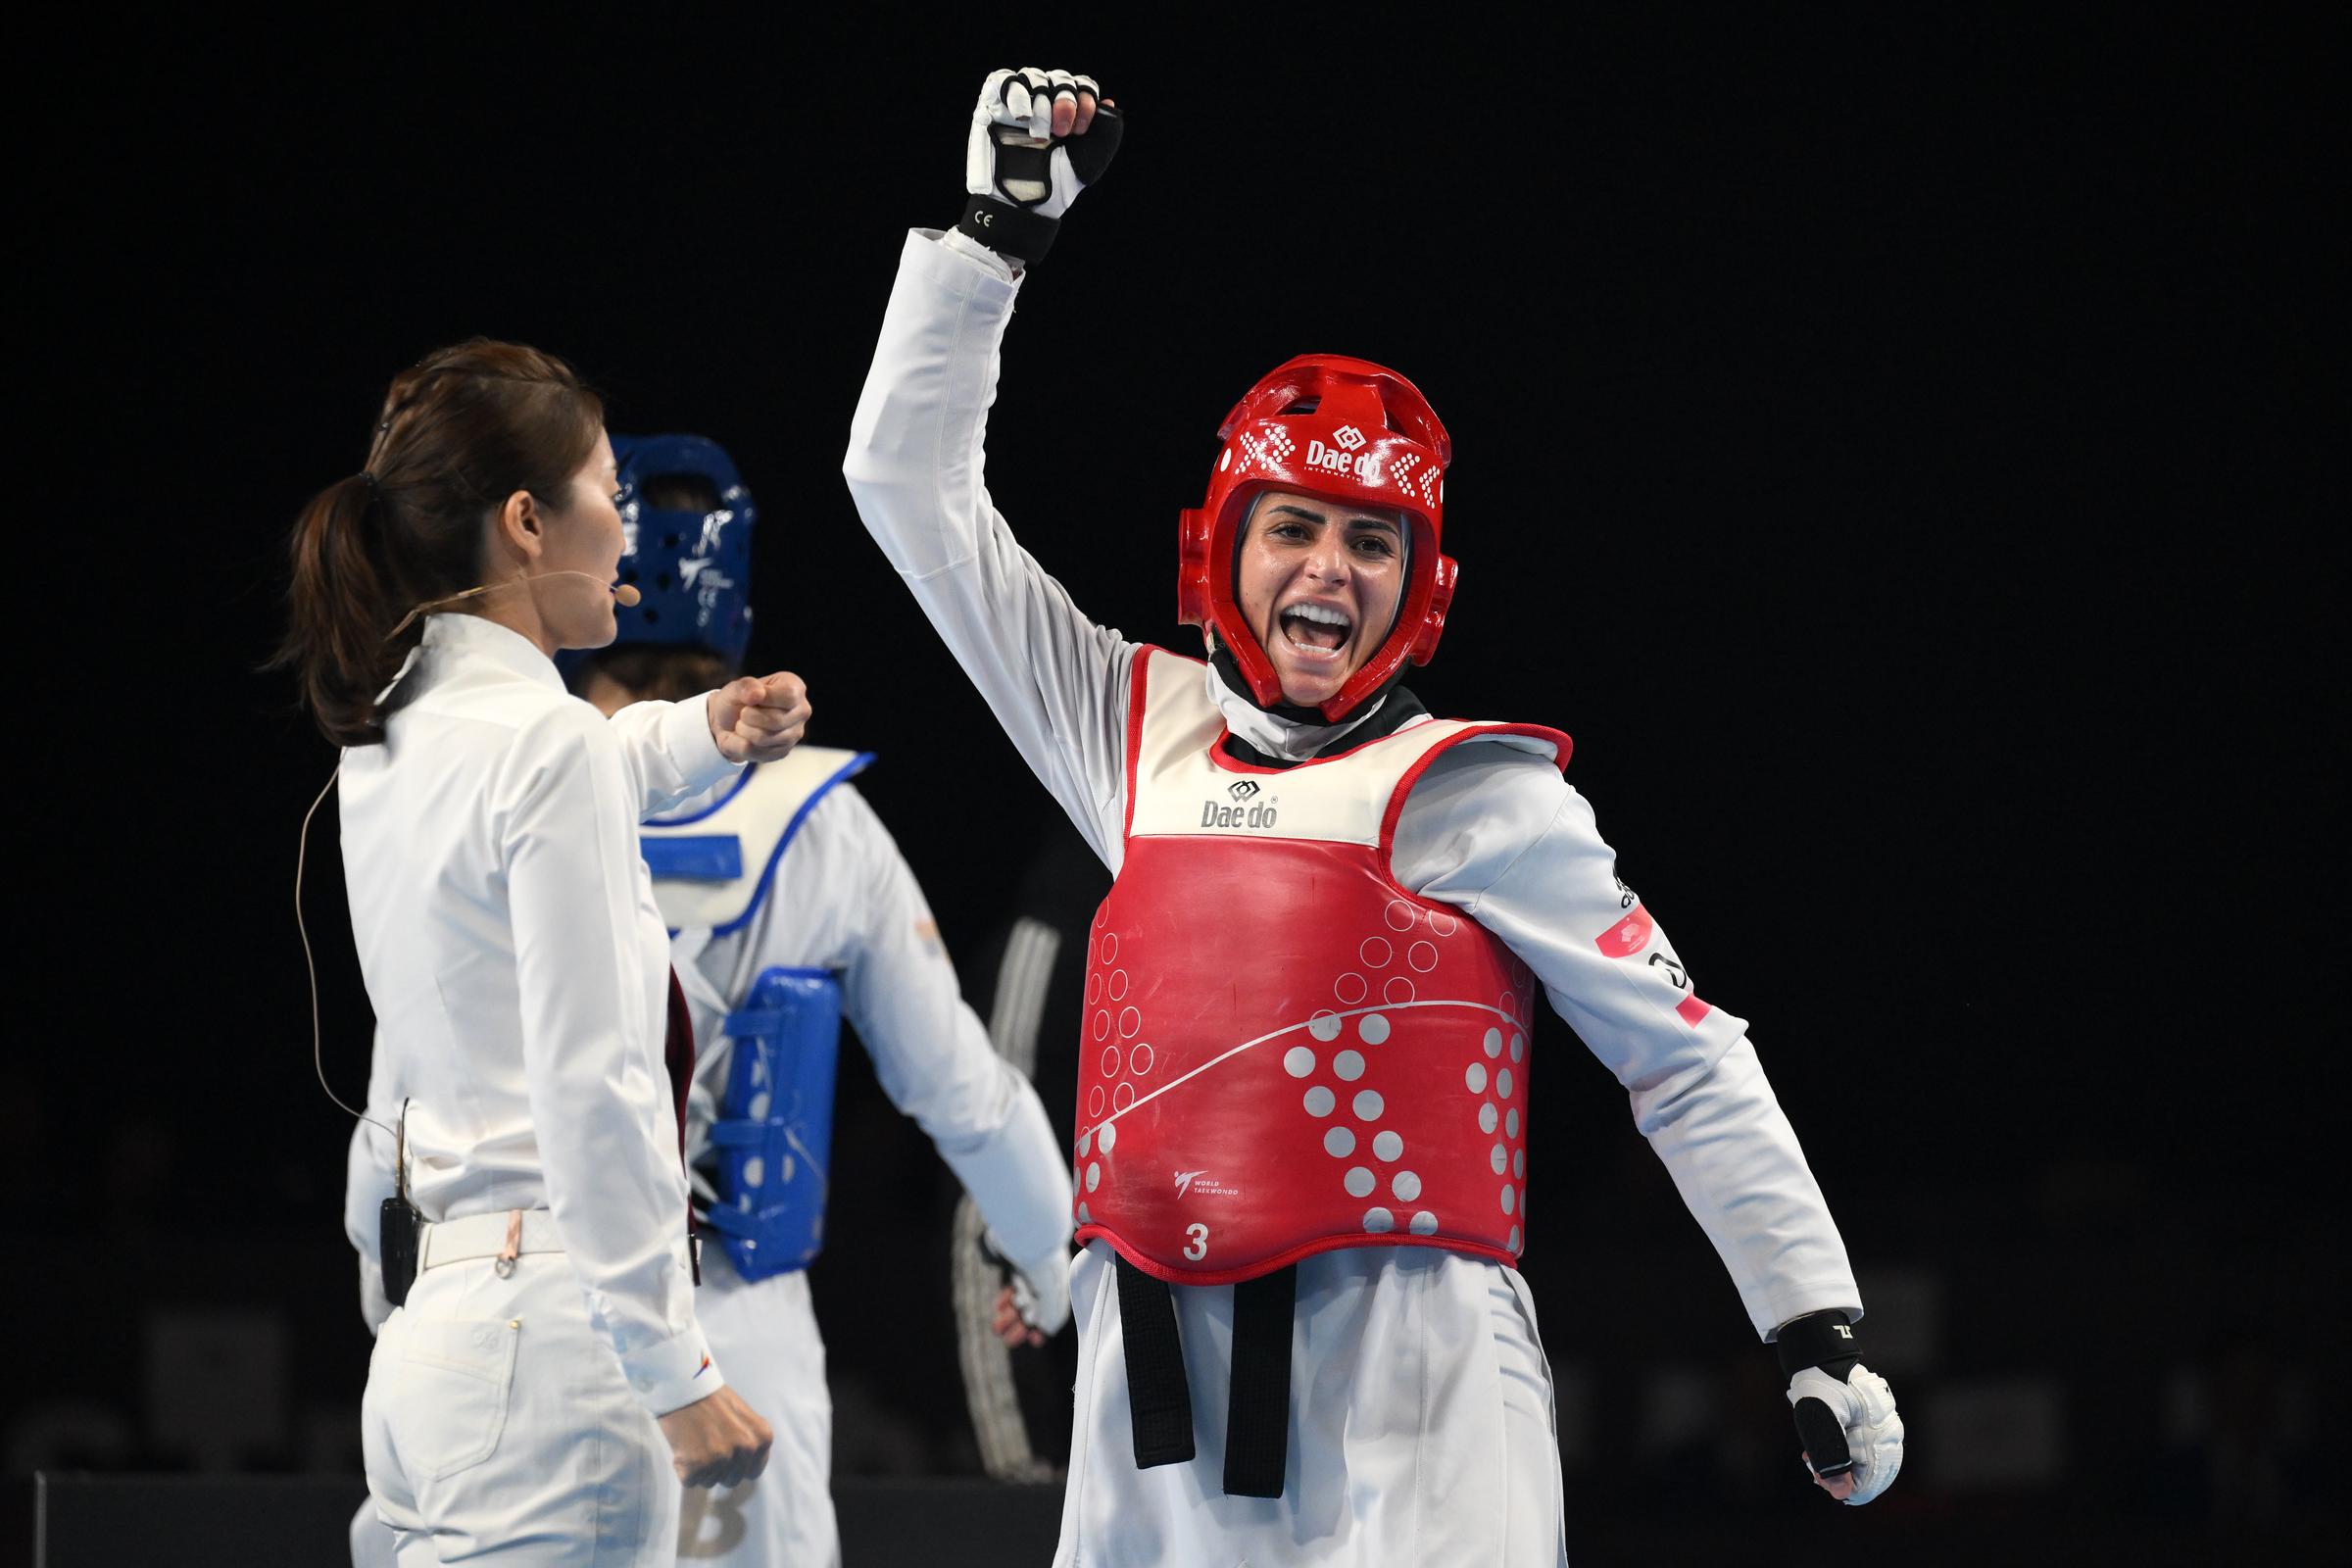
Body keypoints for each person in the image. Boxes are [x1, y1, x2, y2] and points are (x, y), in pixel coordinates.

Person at [840, 69, 1907, 1565]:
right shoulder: (1128, 728)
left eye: (1370, 541)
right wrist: (988, 243)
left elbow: (1682, 1060)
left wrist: (1813, 1319)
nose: (1328, 571)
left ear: (1424, 589)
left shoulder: (1484, 790)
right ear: (1222, 549)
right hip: (1149, 1375)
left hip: (1414, 1378)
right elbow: (905, 487)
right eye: (1294, 527)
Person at [281, 340, 801, 1566]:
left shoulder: (392, 735)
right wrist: (674, 1369)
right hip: (558, 1358)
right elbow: (593, 1083)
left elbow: (545, 795)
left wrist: (694, 734)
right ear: (527, 520)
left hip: (431, 1346)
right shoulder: (544, 744)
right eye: (606, 493)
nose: (624, 530)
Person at [564, 432, 1075, 1564]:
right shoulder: (818, 819)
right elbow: (965, 1094)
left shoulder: (488, 775)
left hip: (521, 1316)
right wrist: (1050, 1262)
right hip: (734, 1333)